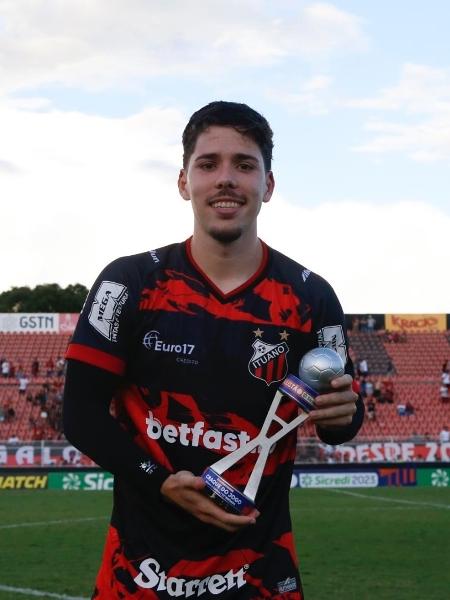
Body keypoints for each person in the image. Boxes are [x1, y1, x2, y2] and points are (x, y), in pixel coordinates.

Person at [63, 101, 364, 599]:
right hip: (139, 577)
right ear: (184, 182)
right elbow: (79, 412)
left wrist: (340, 416)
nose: (226, 178)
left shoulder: (312, 297)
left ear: (267, 185)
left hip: (261, 575)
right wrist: (158, 479)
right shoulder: (131, 283)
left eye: (244, 165)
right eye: (209, 164)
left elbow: (340, 426)